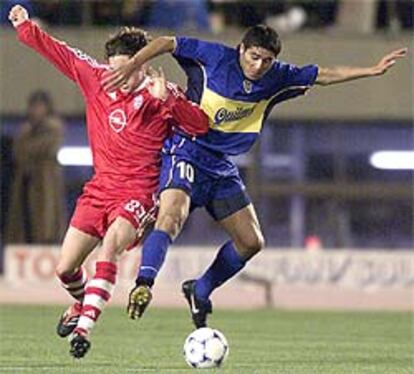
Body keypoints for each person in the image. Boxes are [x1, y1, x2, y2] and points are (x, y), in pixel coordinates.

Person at [102, 25, 407, 328]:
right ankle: (144, 283)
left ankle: (200, 289)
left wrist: (371, 70)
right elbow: (168, 41)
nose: (259, 65)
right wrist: (134, 63)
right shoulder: (214, 57)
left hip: (221, 165)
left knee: (251, 242)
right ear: (241, 49)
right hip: (187, 150)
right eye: (254, 57)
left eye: (266, 60)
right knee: (171, 217)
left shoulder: (276, 77)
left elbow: (323, 75)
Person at [9, 4, 208, 358]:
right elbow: (60, 52)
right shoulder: (96, 77)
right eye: (114, 69)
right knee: (65, 268)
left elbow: (200, 125)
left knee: (111, 247)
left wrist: (171, 105)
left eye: (126, 70)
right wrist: (26, 28)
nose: (117, 77)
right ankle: (81, 304)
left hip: (139, 193)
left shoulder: (162, 93)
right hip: (99, 190)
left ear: (142, 64)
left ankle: (83, 331)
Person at [6, 90, 65, 244]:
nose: (36, 110)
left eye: (40, 106)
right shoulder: (25, 132)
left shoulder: (54, 129)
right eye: (33, 106)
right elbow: (18, 152)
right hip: (26, 184)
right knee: (24, 224)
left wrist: (29, 146)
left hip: (45, 187)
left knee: (46, 224)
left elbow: (45, 147)